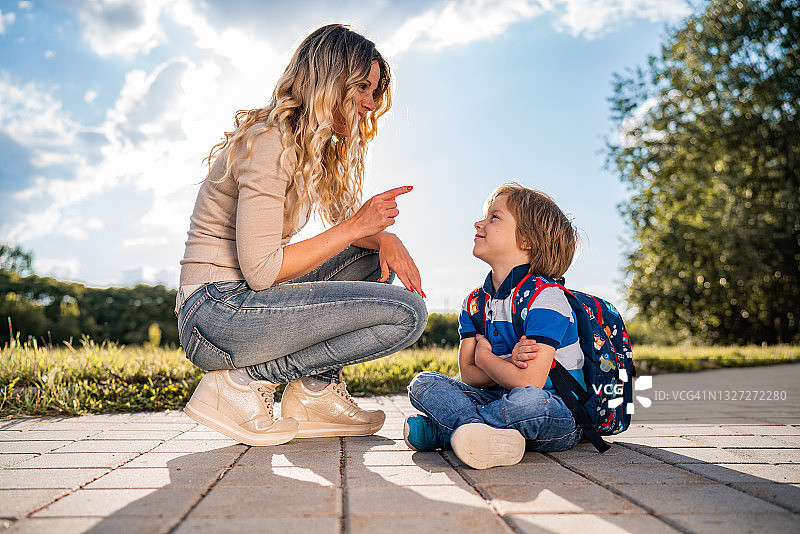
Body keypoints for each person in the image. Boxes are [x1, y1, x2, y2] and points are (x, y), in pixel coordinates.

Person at [176, 24, 427, 447]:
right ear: (330, 82)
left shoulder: (308, 147)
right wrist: (356, 226)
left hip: (237, 304)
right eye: (362, 88)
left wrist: (384, 239)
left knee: (369, 260)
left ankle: (314, 394)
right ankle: (244, 382)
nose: (369, 104)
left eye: (375, 93)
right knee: (407, 315)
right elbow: (261, 271)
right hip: (214, 314)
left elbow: (350, 239)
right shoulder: (269, 141)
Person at [404, 182, 584, 469]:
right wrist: (507, 364)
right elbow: (470, 377)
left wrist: (485, 358)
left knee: (528, 402)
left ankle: (450, 431)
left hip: (553, 412)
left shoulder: (546, 297)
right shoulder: (475, 302)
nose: (479, 222)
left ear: (526, 240)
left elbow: (529, 383)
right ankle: (486, 435)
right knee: (424, 384)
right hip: (497, 399)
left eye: (494, 217)